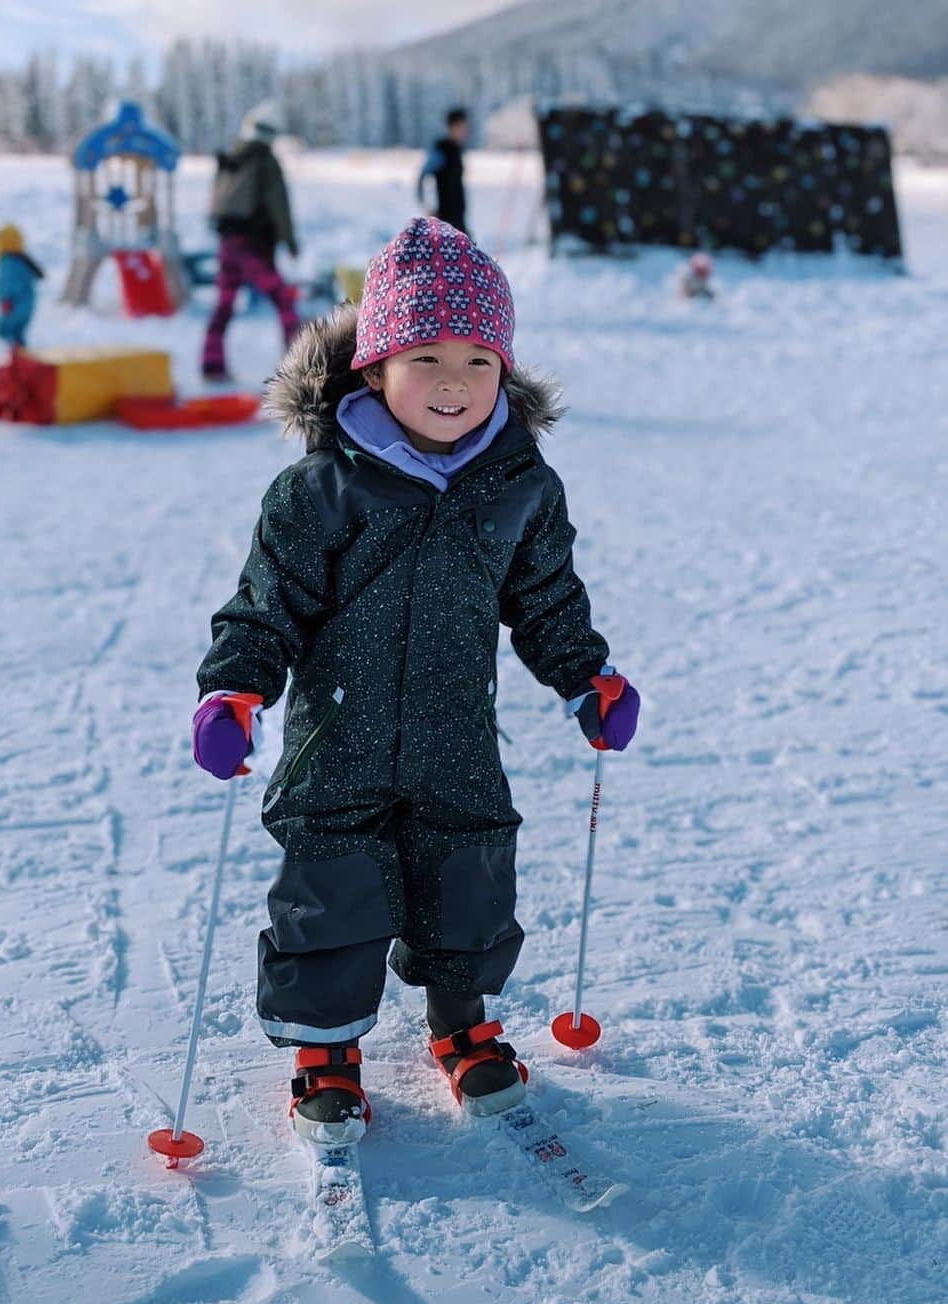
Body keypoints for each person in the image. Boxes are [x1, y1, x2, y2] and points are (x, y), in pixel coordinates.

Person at [192, 217, 640, 1144]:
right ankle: (325, 1047)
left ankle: (463, 1019)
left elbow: (546, 597)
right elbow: (265, 604)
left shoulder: (518, 483)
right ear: (374, 367)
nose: (455, 382)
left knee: (470, 872)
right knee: (335, 883)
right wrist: (234, 690)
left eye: (480, 360)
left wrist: (585, 676)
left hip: (455, 732)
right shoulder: (323, 489)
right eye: (426, 356)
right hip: (337, 738)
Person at [202, 99, 301, 381]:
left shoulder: (232, 158)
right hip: (253, 245)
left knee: (224, 302)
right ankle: (300, 363)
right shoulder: (265, 161)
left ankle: (212, 364)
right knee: (282, 299)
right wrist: (289, 241)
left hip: (227, 243)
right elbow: (278, 205)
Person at [0, 224, 43, 349]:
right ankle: (21, 356)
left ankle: (11, 360)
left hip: (13, 303)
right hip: (26, 304)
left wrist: (5, 299)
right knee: (17, 333)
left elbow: (7, 282)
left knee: (3, 330)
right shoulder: (21, 261)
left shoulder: (8, 262)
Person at [418, 107, 470, 235]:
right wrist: (428, 206)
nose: (466, 131)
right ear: (452, 126)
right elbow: (424, 177)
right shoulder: (441, 150)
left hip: (457, 219)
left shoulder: (457, 150)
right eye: (462, 126)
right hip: (443, 221)